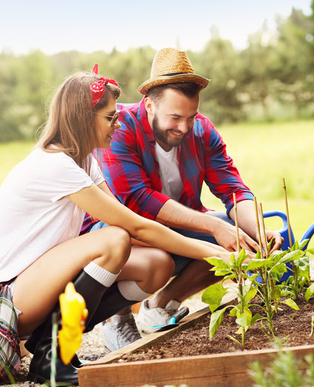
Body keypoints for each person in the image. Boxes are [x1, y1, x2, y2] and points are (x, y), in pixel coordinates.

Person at [0, 66, 234, 387]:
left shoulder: (84, 161)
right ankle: (53, 355)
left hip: (34, 282)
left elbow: (136, 225)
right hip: (3, 297)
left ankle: (54, 342)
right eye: (110, 118)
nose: (117, 125)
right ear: (84, 119)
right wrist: (215, 252)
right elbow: (133, 227)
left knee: (157, 264)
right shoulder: (54, 163)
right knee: (114, 239)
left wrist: (212, 250)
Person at [86, 48, 282, 351]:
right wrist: (214, 227)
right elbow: (135, 200)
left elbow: (232, 188)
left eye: (190, 116)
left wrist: (255, 228)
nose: (184, 127)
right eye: (174, 117)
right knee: (206, 231)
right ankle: (117, 318)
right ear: (150, 105)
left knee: (234, 234)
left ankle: (162, 304)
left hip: (174, 229)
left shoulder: (202, 130)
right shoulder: (119, 126)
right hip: (116, 233)